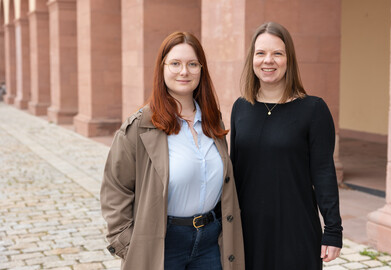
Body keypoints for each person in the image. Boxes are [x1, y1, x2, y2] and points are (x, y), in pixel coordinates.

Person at [101, 31, 244, 270]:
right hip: (163, 245)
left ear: (201, 69)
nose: (184, 71)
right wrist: (128, 244)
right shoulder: (140, 126)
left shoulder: (212, 121)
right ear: (162, 68)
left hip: (211, 242)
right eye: (175, 63)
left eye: (192, 64)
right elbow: (115, 188)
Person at [230, 22, 343, 270]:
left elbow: (324, 173)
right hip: (249, 230)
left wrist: (333, 230)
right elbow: (235, 171)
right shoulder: (240, 108)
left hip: (296, 228)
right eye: (261, 53)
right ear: (252, 59)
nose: (268, 60)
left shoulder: (313, 109)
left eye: (277, 53)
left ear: (288, 59)